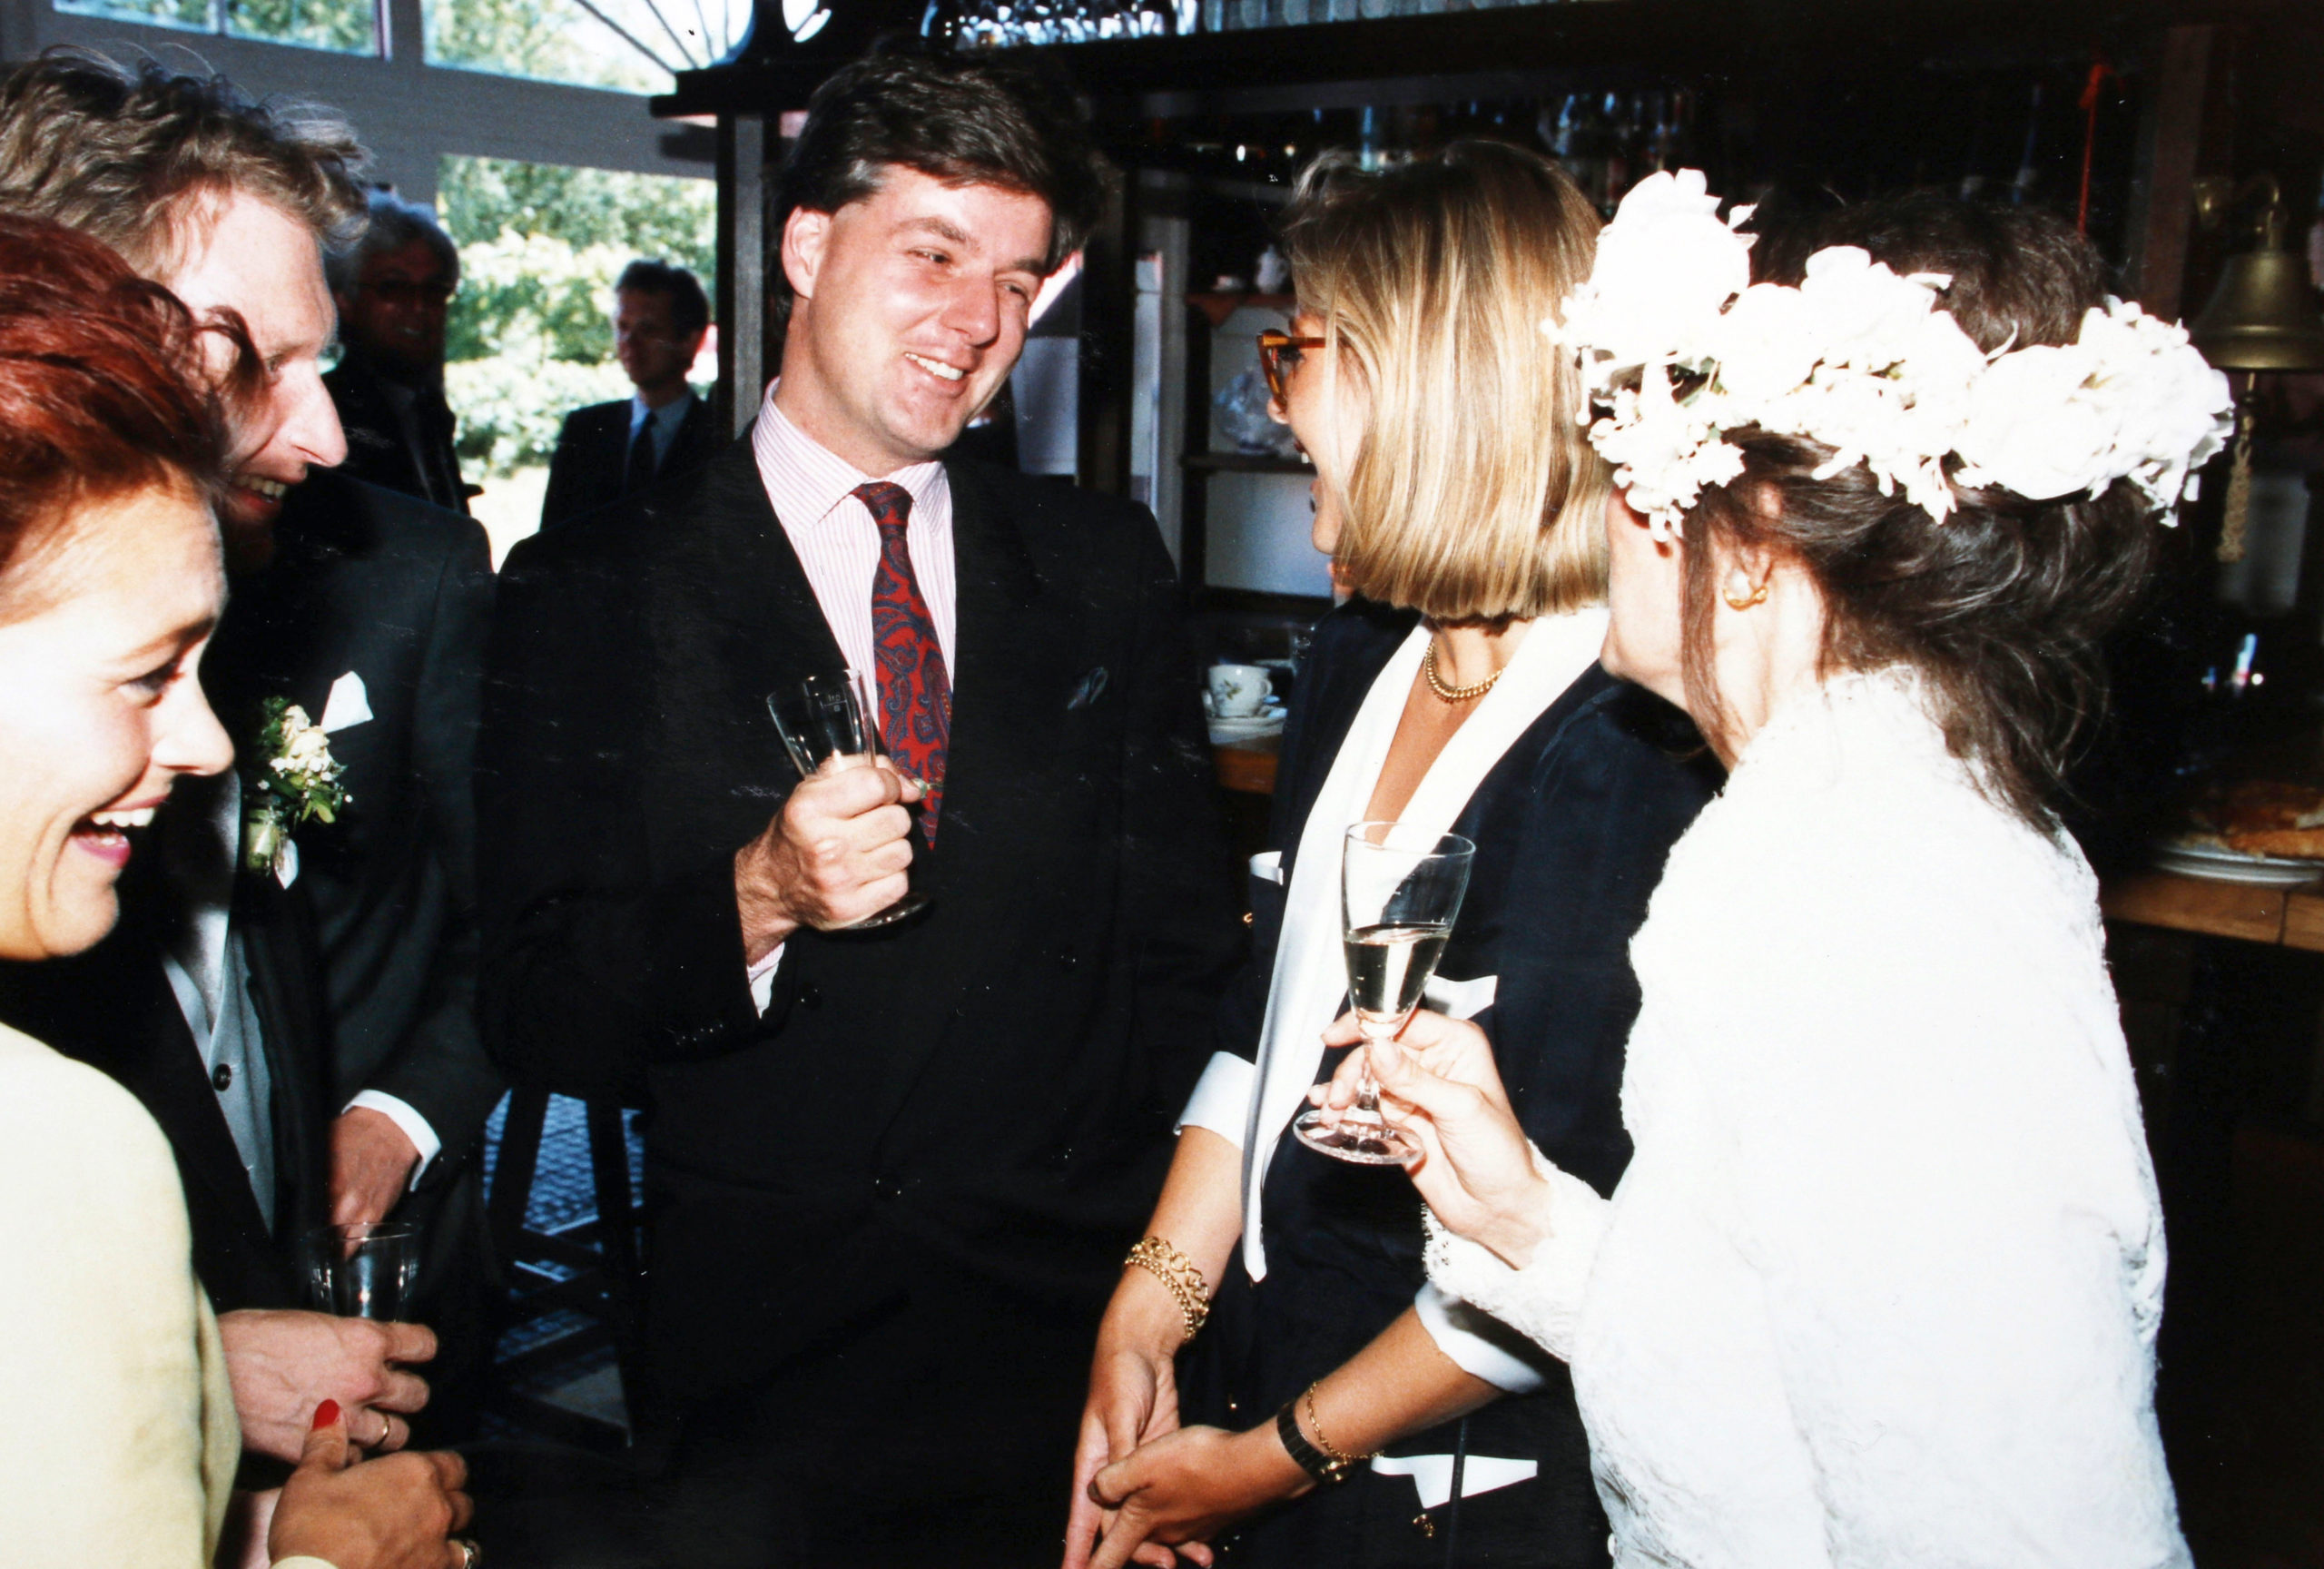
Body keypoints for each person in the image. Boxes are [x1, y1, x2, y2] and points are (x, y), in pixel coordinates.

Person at [1312, 177, 2229, 1564]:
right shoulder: (1820, 839)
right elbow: (1789, 1388)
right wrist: (1530, 1224)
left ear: (1752, 543)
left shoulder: (1878, 901)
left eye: (1632, 470)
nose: (1600, 513)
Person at [479, 51, 1243, 1568]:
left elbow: (1180, 971)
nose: (979, 322)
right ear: (808, 244)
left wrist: (1160, 1310)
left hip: (1060, 1354)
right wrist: (757, 893)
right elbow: (535, 1005)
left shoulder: (1103, 565)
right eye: (934, 256)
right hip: (766, 1377)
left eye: (1017, 281)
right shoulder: (595, 585)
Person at [1071, 143, 1718, 1569]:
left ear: (1425, 388)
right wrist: (1151, 1306)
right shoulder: (1361, 653)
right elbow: (1267, 1023)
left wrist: (1273, 1463)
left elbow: (1571, 1239)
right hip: (1268, 1372)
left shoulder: (1627, 748)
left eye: (1296, 352)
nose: (1274, 401)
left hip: (1443, 1482)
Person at [0, 49, 501, 1459]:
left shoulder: (275, 618)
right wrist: (194, 1370)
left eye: (319, 366)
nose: (327, 434)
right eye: (249, 362)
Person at [538, 258, 720, 529]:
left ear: (688, 341)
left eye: (647, 329)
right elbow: (549, 542)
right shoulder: (584, 431)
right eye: (623, 327)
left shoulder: (718, 434)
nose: (629, 342)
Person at [325, 189, 471, 515]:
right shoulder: (328, 411)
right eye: (393, 287)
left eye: (434, 291)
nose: (419, 307)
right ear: (344, 301)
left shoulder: (426, 407)